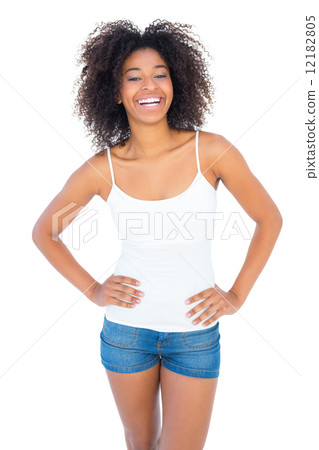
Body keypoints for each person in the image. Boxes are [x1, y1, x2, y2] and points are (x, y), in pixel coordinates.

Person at [32, 19, 283, 450]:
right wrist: (94, 289)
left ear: (176, 81)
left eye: (160, 73)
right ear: (116, 92)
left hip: (195, 334)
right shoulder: (102, 169)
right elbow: (45, 232)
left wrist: (236, 296)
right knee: (139, 441)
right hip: (126, 334)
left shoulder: (211, 151)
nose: (149, 85)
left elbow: (269, 219)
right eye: (134, 77)